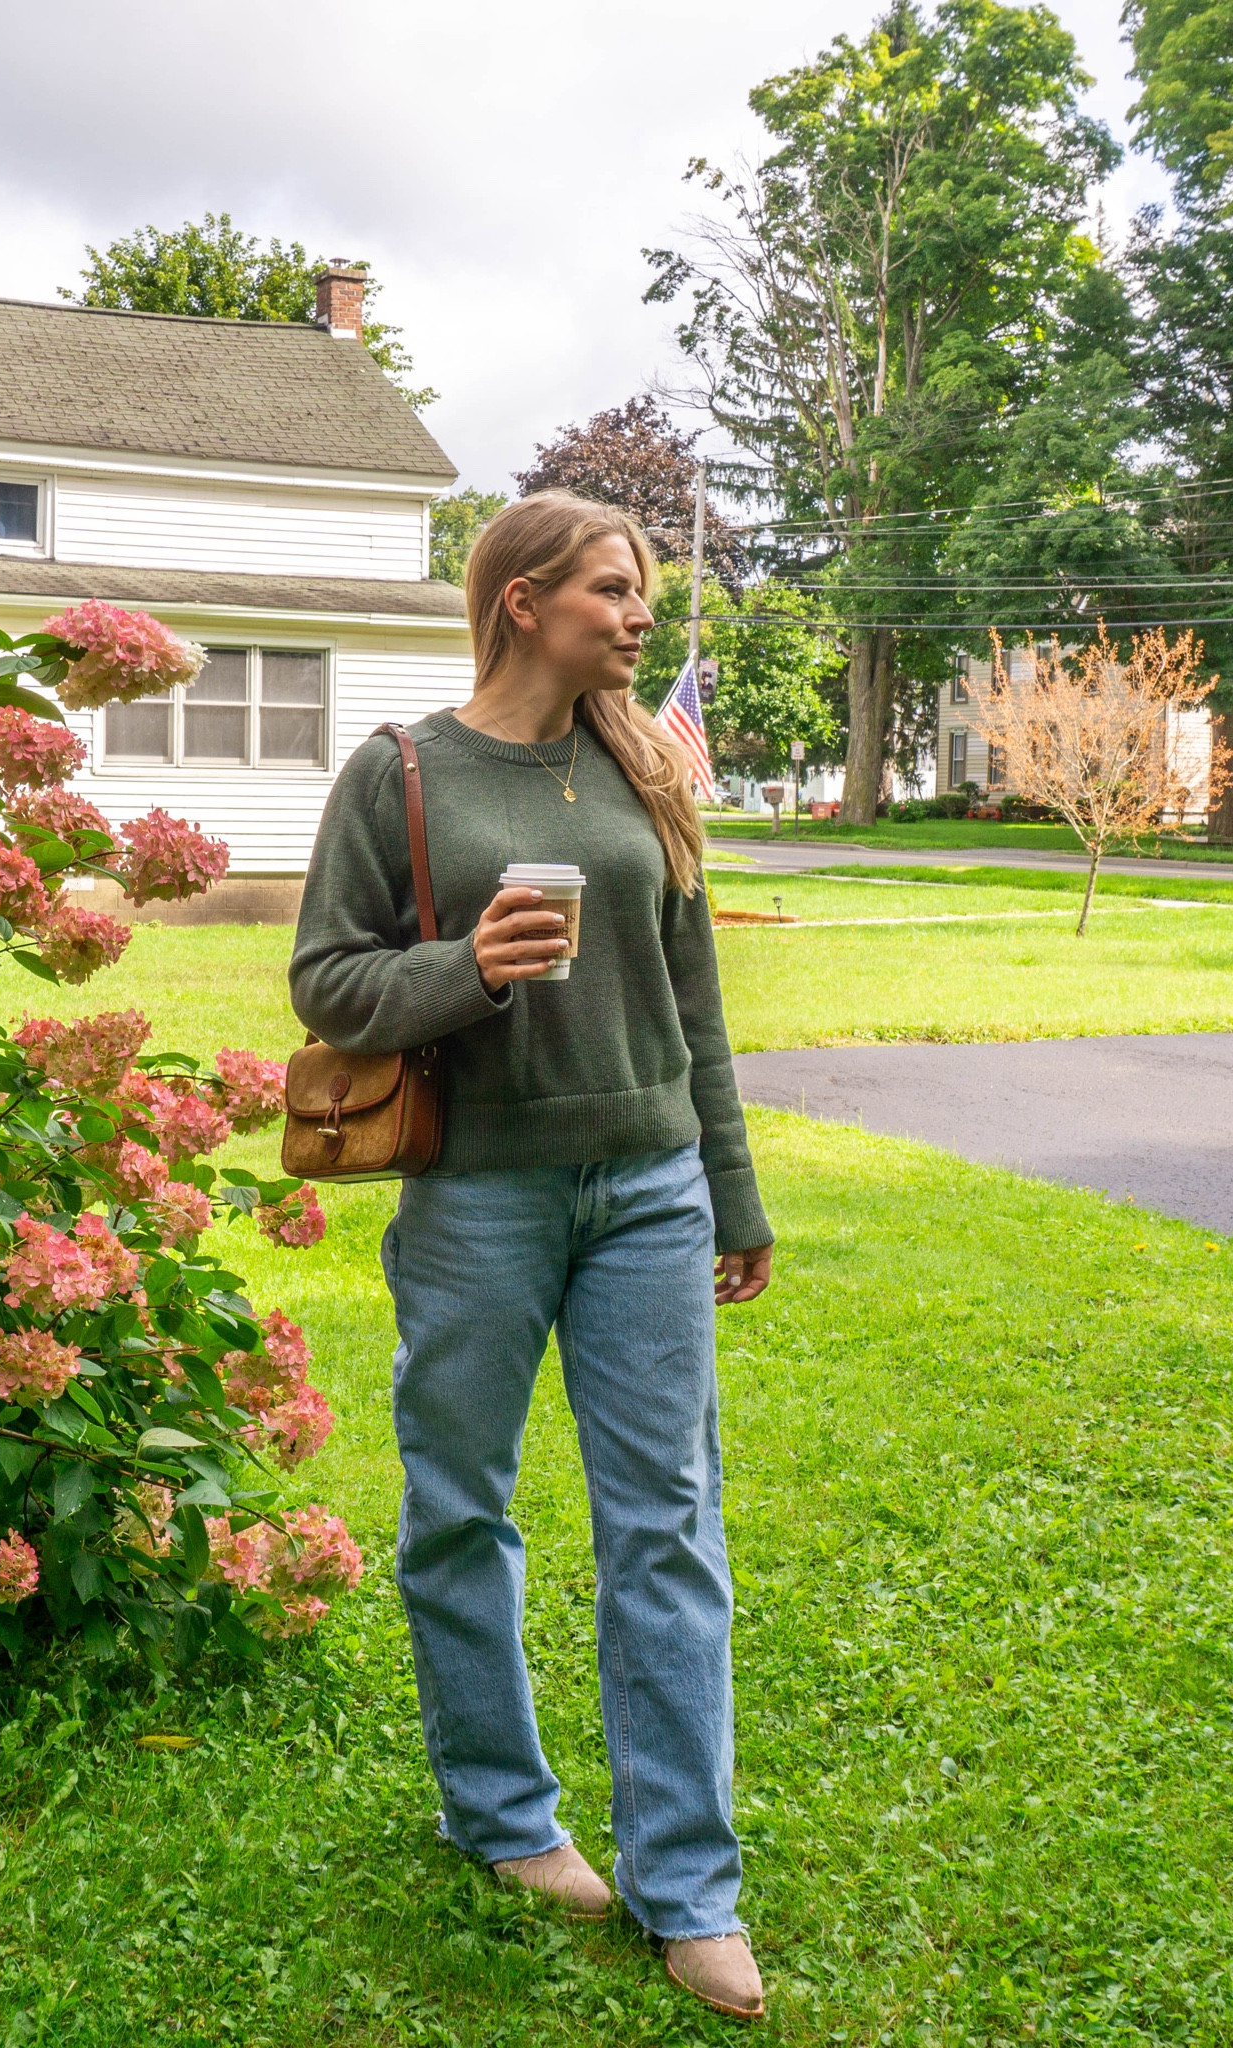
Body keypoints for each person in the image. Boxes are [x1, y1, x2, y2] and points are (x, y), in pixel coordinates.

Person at [289, 490, 774, 2021]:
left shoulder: (645, 765)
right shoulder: (404, 773)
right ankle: (502, 1822)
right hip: (478, 1198)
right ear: (521, 601)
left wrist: (733, 1191)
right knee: (460, 1514)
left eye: (642, 595)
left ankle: (687, 1887)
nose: (640, 616)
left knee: (666, 1530)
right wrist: (468, 969)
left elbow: (693, 1002)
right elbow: (327, 977)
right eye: (615, 591)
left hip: (649, 1190)